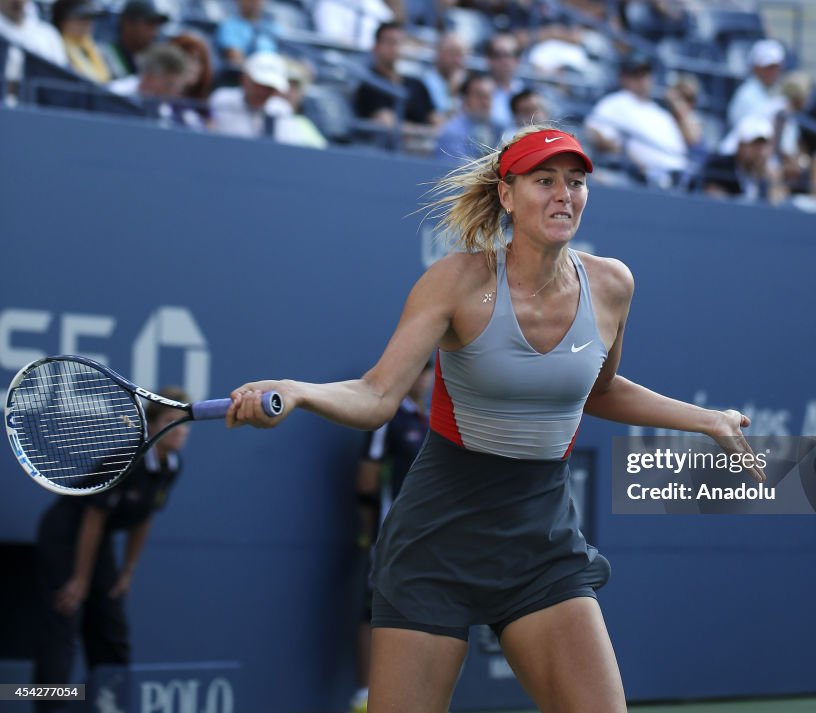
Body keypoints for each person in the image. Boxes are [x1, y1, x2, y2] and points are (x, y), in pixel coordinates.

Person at [226, 125, 766, 712]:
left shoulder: (611, 285)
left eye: (576, 182)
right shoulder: (456, 281)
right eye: (544, 180)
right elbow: (377, 395)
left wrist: (707, 420)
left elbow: (598, 391)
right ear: (507, 195)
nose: (565, 194)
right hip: (436, 541)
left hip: (541, 541)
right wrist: (299, 393)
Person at [33, 388, 191, 713]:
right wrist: (79, 580)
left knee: (111, 623)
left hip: (98, 539)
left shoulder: (172, 465)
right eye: (172, 422)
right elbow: (92, 517)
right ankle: (50, 707)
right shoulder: (126, 461)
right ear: (153, 427)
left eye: (185, 424)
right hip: (66, 533)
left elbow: (144, 518)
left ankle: (110, 704)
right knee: (66, 618)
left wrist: (127, 571)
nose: (181, 432)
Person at [348, 360, 433, 713]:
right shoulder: (389, 418)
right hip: (390, 536)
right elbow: (367, 480)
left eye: (427, 371)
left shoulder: (430, 421)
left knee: (425, 613)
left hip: (431, 538)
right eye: (415, 370)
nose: (422, 378)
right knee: (375, 610)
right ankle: (366, 695)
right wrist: (371, 532)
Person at [585, 52, 688, 188]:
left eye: (646, 74)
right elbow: (592, 129)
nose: (642, 80)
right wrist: (622, 150)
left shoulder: (661, 112)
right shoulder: (616, 101)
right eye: (636, 75)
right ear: (624, 78)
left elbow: (683, 147)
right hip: (643, 179)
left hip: (679, 176)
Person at [353, 22, 439, 151]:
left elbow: (438, 123)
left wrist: (420, 131)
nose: (394, 47)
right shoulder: (369, 86)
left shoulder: (417, 84)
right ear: (376, 47)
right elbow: (389, 125)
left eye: (398, 42)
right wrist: (425, 132)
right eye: (389, 42)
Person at [701, 114, 787, 203]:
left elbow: (777, 206)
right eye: (755, 145)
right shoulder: (720, 166)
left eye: (764, 146)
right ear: (740, 146)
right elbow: (715, 202)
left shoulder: (767, 176)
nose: (761, 152)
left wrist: (774, 182)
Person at [434, 72, 501, 164]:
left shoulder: (498, 128)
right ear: (465, 99)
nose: (486, 102)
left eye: (489, 96)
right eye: (480, 96)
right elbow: (453, 173)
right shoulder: (451, 132)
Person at [100, 0, 168, 80]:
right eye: (150, 23)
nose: (154, 31)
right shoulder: (105, 55)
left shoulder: (151, 57)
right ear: (127, 24)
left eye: (157, 25)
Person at [726, 38, 784, 129]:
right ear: (755, 68)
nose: (773, 72)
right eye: (768, 67)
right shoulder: (746, 96)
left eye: (776, 67)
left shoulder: (777, 92)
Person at [51, 0, 110, 83]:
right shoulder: (55, 48)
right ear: (63, 21)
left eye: (90, 18)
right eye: (82, 18)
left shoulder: (90, 46)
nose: (88, 23)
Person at [215, 0, 280, 67]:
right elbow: (234, 57)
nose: (254, 2)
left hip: (272, 71)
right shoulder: (229, 25)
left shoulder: (272, 27)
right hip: (248, 73)